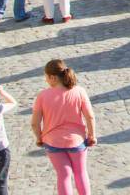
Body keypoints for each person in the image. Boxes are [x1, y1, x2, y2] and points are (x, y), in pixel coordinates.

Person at [31, 60, 96, 195]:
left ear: (52, 77)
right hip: (76, 141)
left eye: (46, 77)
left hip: (52, 141)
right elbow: (90, 117)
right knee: (80, 173)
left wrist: (39, 138)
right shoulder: (79, 92)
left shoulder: (42, 96)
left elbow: (35, 123)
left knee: (63, 175)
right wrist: (92, 135)